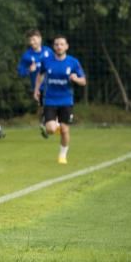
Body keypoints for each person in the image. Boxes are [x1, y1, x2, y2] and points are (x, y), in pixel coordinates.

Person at [33, 35, 86, 164]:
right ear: (54, 47)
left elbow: (83, 81)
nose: (59, 47)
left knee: (64, 130)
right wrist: (36, 90)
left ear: (66, 46)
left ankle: (62, 156)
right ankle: (51, 124)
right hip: (50, 100)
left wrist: (75, 79)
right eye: (56, 44)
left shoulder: (73, 62)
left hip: (66, 100)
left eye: (62, 44)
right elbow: (40, 76)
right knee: (51, 129)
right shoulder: (47, 61)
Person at [17, 28, 53, 102]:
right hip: (40, 88)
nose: (32, 42)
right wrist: (29, 70)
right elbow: (20, 72)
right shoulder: (27, 56)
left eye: (34, 39)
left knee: (53, 111)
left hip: (53, 86)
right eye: (30, 40)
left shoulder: (48, 51)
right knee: (47, 110)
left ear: (40, 38)